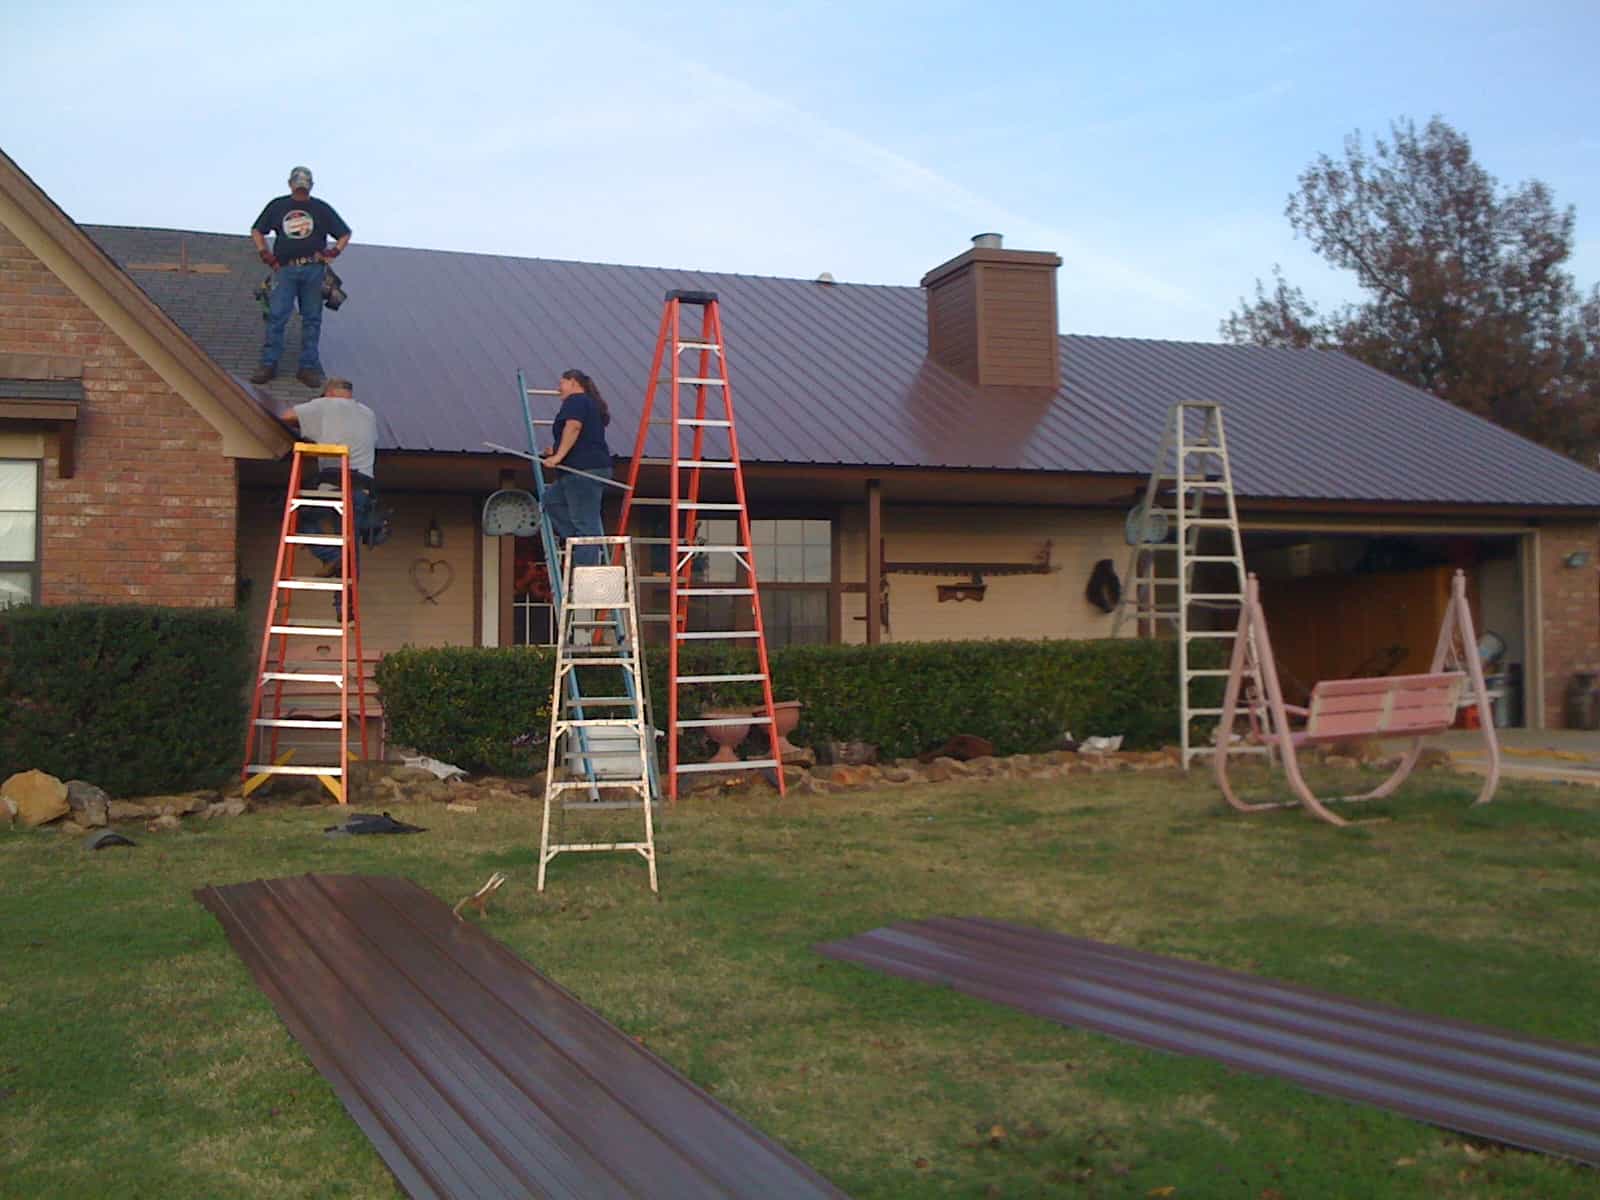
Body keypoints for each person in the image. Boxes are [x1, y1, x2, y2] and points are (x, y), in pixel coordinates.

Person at [250, 166, 351, 390]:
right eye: (298, 182)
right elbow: (257, 230)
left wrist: (332, 253)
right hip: (285, 269)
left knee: (312, 318)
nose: (301, 187)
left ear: (310, 185)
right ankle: (269, 364)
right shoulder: (278, 206)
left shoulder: (320, 208)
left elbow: (345, 233)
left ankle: (308, 367)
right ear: (290, 184)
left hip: (313, 268)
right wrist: (264, 253)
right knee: (277, 316)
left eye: (304, 183)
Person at [278, 379, 379, 605]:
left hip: (334, 483)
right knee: (350, 546)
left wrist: (310, 427)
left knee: (296, 516)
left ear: (329, 392)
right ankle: (346, 608)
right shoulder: (368, 413)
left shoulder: (324, 404)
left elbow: (285, 416)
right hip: (363, 488)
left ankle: (331, 556)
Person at [542, 369, 613, 568]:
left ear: (573, 382)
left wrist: (557, 457)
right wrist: (555, 450)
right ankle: (581, 544)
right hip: (579, 470)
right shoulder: (586, 403)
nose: (558, 389)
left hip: (584, 471)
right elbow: (582, 438)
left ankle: (586, 572)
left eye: (561, 383)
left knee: (585, 523)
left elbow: (573, 427)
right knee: (551, 500)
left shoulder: (576, 400)